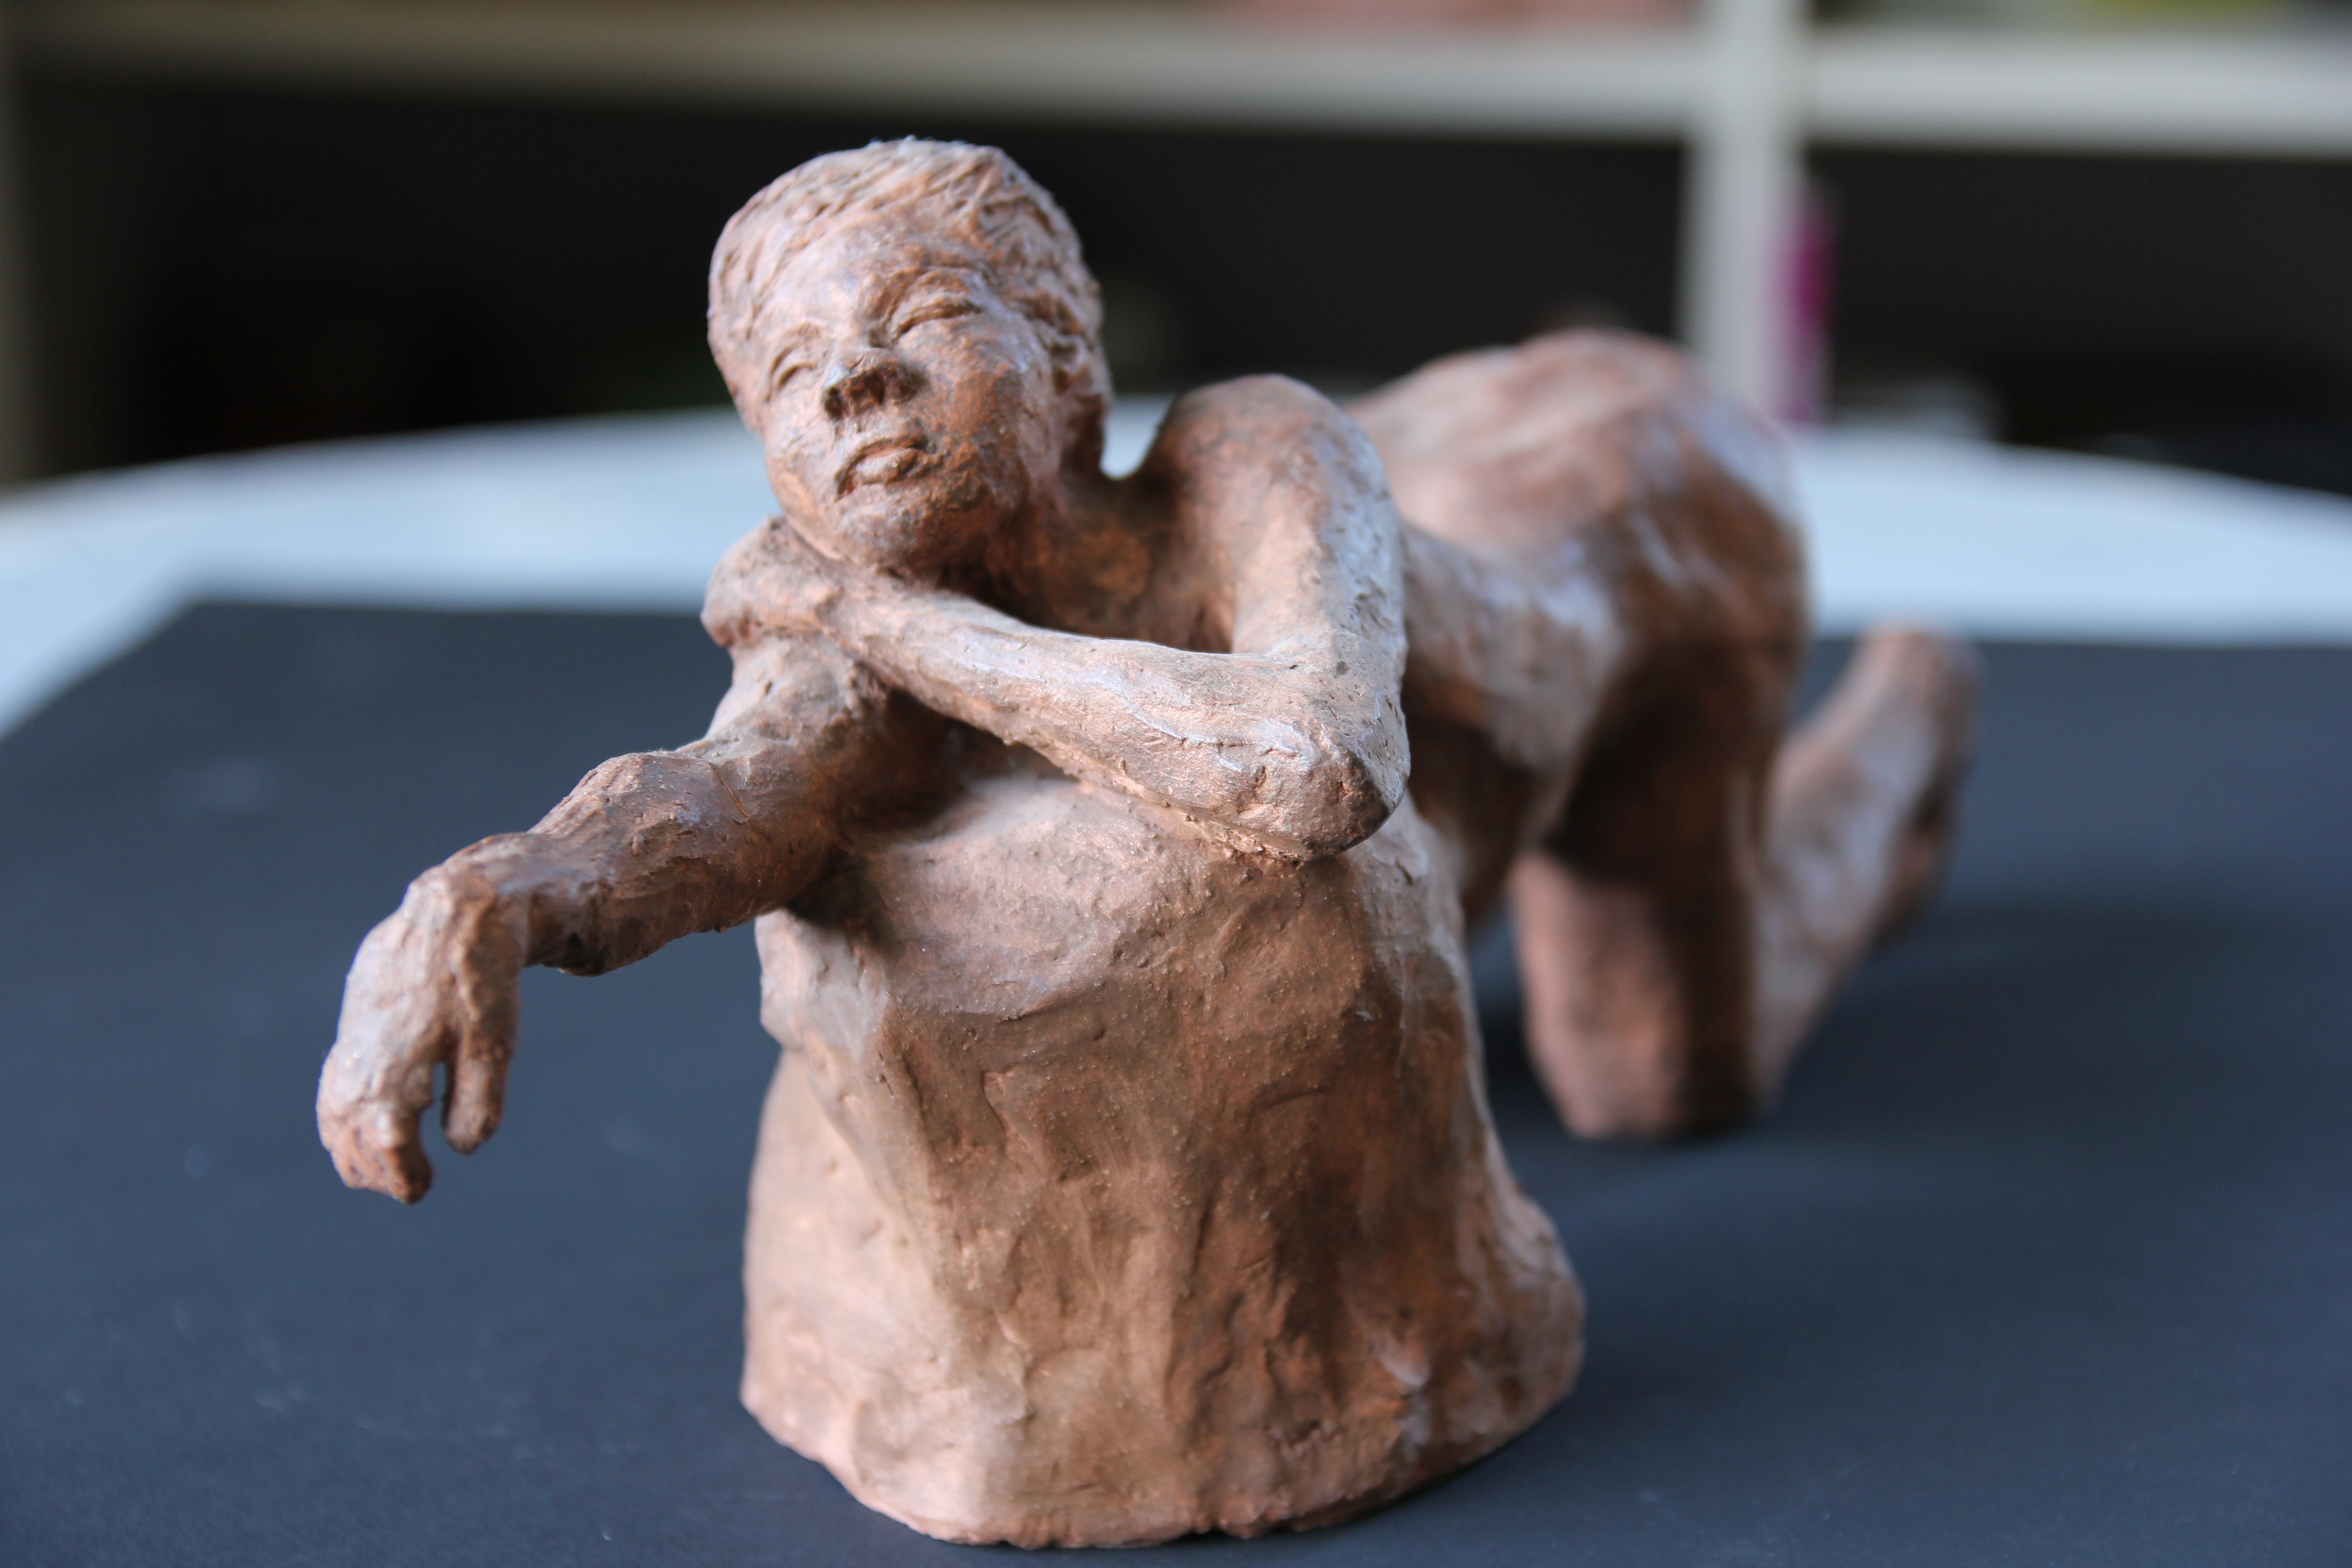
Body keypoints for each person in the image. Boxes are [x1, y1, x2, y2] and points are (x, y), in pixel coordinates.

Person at [317, 141, 1975, 1547]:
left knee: (1661, 1081)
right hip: (1424, 628)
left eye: (917, 322)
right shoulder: (851, 611)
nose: (854, 388)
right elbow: (740, 794)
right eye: (792, 379)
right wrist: (500, 891)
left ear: (1068, 356)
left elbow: (1315, 764)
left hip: (1643, 564)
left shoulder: (1246, 454)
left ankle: (1905, 717)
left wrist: (901, 632)